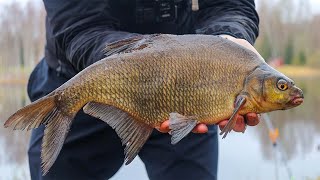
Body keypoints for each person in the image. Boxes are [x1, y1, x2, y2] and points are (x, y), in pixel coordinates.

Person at [27, 0, 260, 179]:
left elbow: (230, 5)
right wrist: (142, 63)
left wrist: (230, 40)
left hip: (188, 87)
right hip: (87, 75)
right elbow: (79, 25)